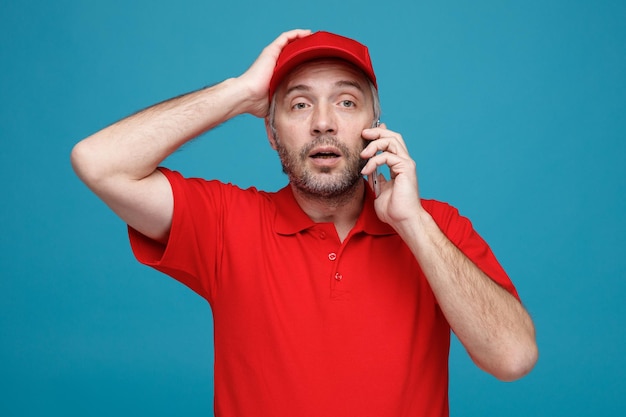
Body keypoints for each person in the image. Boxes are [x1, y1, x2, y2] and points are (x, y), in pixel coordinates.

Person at [71, 29, 538, 417]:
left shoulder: (436, 226)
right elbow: (98, 162)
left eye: (347, 103)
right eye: (299, 105)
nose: (323, 123)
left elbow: (513, 359)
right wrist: (239, 94)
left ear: (377, 126)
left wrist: (412, 223)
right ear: (272, 135)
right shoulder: (226, 221)